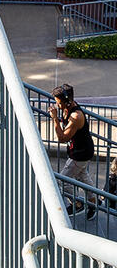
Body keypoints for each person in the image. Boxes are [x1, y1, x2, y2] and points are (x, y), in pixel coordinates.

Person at [49, 83, 96, 219]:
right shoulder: (67, 107)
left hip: (80, 154)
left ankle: (77, 204)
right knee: (83, 177)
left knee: (63, 181)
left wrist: (55, 119)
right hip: (81, 150)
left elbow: (62, 138)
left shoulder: (76, 116)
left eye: (58, 103)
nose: (57, 105)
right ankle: (94, 202)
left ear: (67, 101)